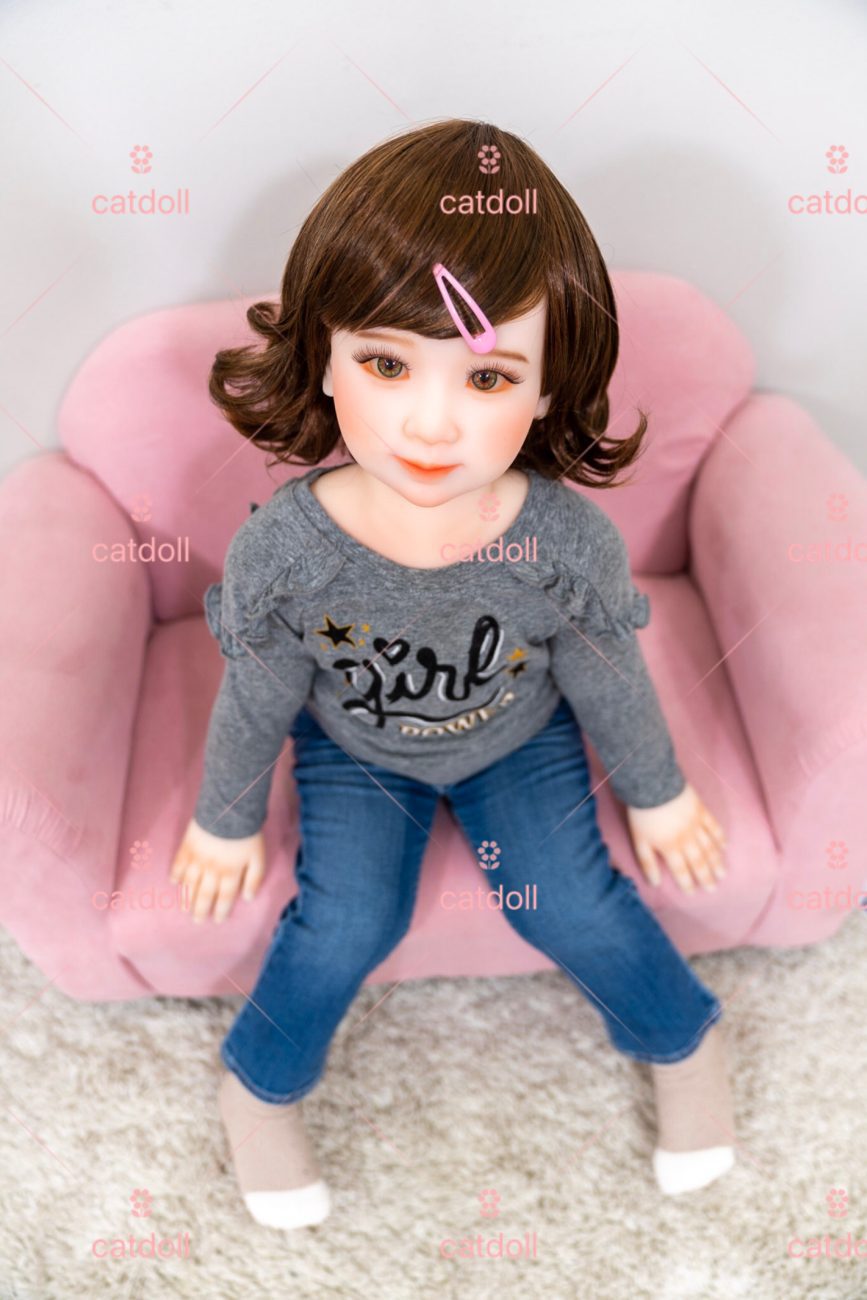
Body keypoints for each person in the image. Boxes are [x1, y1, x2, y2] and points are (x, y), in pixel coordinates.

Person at [171, 118, 735, 1231]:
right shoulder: (286, 550)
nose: (430, 423)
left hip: (518, 738)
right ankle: (260, 1084)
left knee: (569, 902)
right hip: (355, 750)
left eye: (486, 376)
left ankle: (685, 1040)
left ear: (547, 390)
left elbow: (609, 675)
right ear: (323, 357)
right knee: (348, 922)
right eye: (386, 364)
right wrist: (223, 821)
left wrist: (658, 793)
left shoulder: (562, 543)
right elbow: (257, 693)